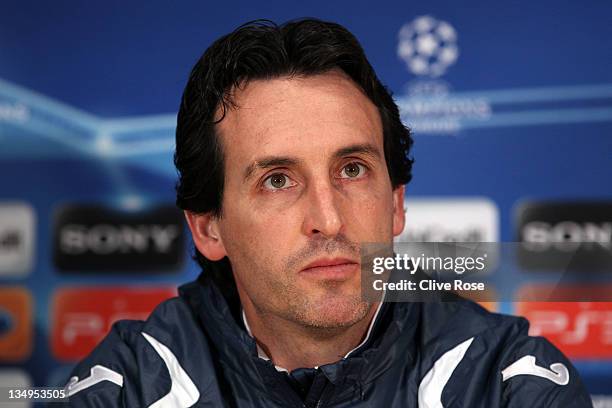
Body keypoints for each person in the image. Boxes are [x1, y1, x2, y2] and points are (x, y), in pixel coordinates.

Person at [59, 19, 593, 407]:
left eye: (353, 170)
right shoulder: (128, 385)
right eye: (278, 180)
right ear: (207, 227)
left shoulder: (508, 381)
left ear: (397, 203)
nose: (329, 219)